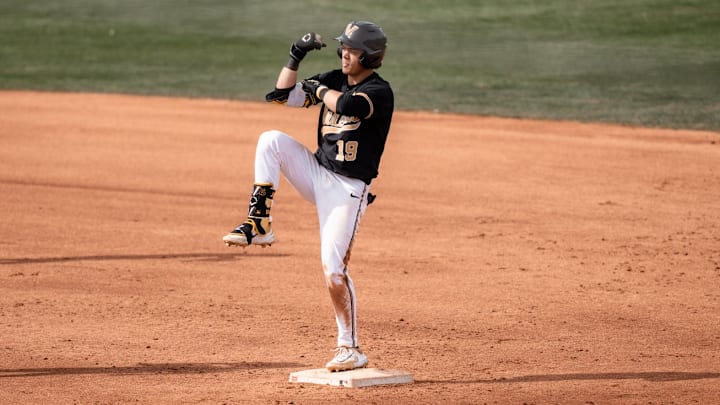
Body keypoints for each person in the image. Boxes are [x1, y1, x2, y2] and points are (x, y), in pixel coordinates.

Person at [222, 21, 394, 372]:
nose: (345, 52)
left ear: (370, 56)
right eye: (344, 46)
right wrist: (295, 56)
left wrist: (319, 91)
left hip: (348, 190)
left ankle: (349, 347)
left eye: (353, 48)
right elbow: (281, 96)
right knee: (271, 139)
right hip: (317, 172)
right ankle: (259, 221)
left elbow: (348, 106)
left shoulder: (379, 91)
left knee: (334, 270)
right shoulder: (335, 78)